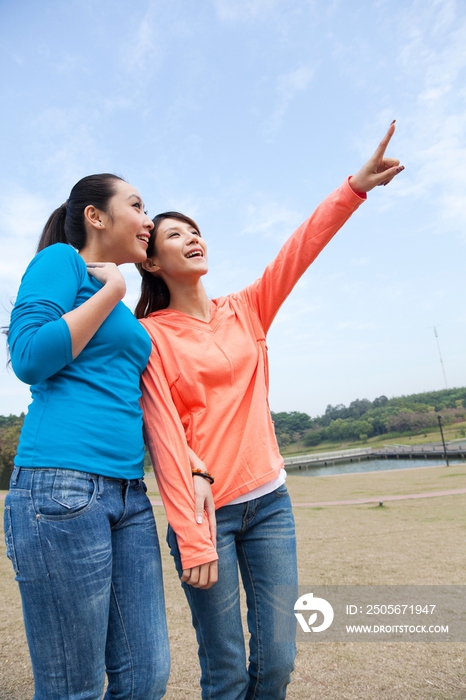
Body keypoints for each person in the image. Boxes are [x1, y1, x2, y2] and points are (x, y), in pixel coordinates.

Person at [136, 123, 404, 699]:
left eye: (196, 231)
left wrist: (354, 188)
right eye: (174, 235)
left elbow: (299, 249)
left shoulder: (247, 309)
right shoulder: (148, 336)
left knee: (278, 661)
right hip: (207, 515)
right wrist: (193, 522)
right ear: (152, 263)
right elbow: (160, 431)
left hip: (270, 504)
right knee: (227, 670)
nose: (192, 239)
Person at [4, 174, 170, 700]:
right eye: (138, 206)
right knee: (73, 688)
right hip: (61, 489)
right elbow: (29, 356)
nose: (149, 220)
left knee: (146, 677)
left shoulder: (117, 306)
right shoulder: (62, 263)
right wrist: (114, 288)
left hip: (129, 495)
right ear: (96, 216)